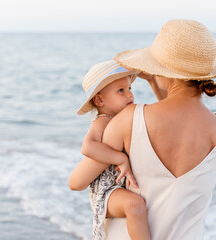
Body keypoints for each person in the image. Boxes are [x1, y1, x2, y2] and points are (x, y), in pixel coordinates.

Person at [70, 19, 216, 239]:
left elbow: (77, 182)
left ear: (163, 69)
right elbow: (180, 118)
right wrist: (155, 80)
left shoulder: (129, 120)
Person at [69, 60, 154, 240]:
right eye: (121, 91)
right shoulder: (104, 120)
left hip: (118, 185)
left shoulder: (123, 119)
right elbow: (88, 146)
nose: (130, 95)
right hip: (106, 191)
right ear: (99, 99)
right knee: (134, 205)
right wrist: (120, 159)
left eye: (130, 88)